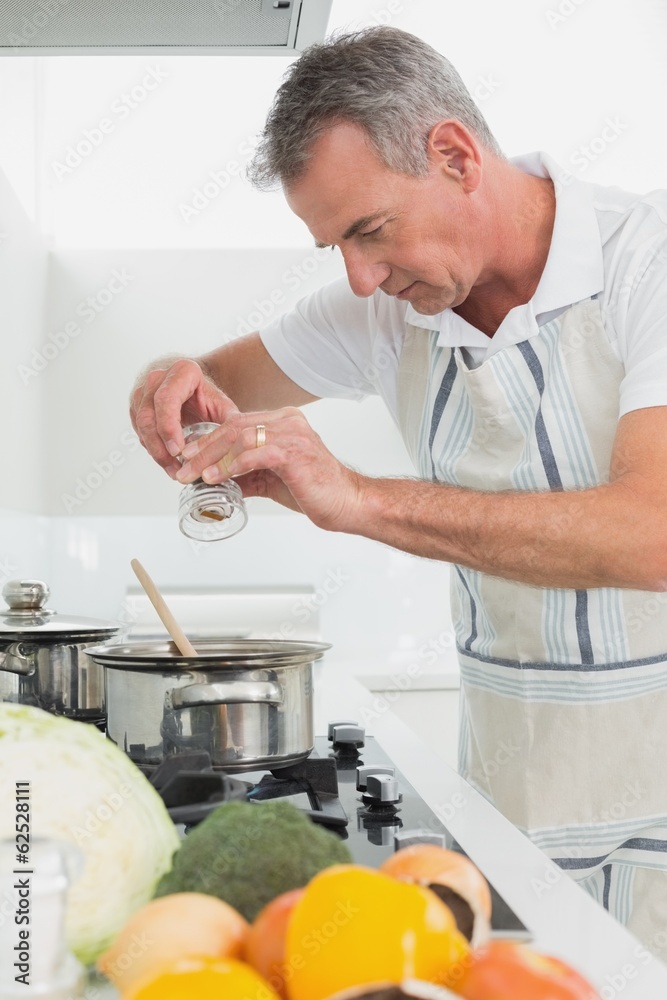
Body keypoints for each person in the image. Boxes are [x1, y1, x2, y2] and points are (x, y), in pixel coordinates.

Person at [130, 26, 667, 954]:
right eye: (335, 244)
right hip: (514, 796)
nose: (360, 276)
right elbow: (206, 383)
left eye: (369, 230)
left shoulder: (643, 260)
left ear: (454, 155)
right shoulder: (388, 308)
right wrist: (162, 380)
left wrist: (360, 499)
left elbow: (652, 534)